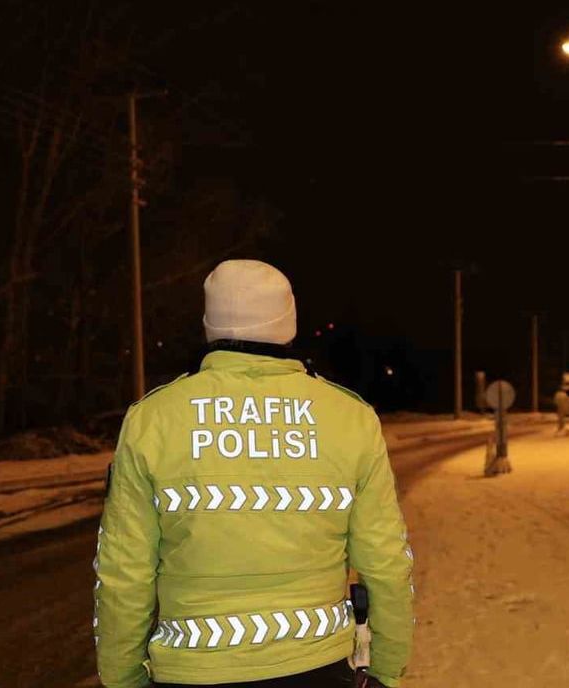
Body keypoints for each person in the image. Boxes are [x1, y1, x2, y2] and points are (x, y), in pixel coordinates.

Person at [94, 259, 414, 688]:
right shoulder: (349, 417)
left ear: (209, 324)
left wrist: (122, 677)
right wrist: (385, 671)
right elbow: (387, 562)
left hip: (192, 673)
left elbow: (123, 571)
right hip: (317, 669)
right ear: (289, 323)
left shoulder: (153, 419)